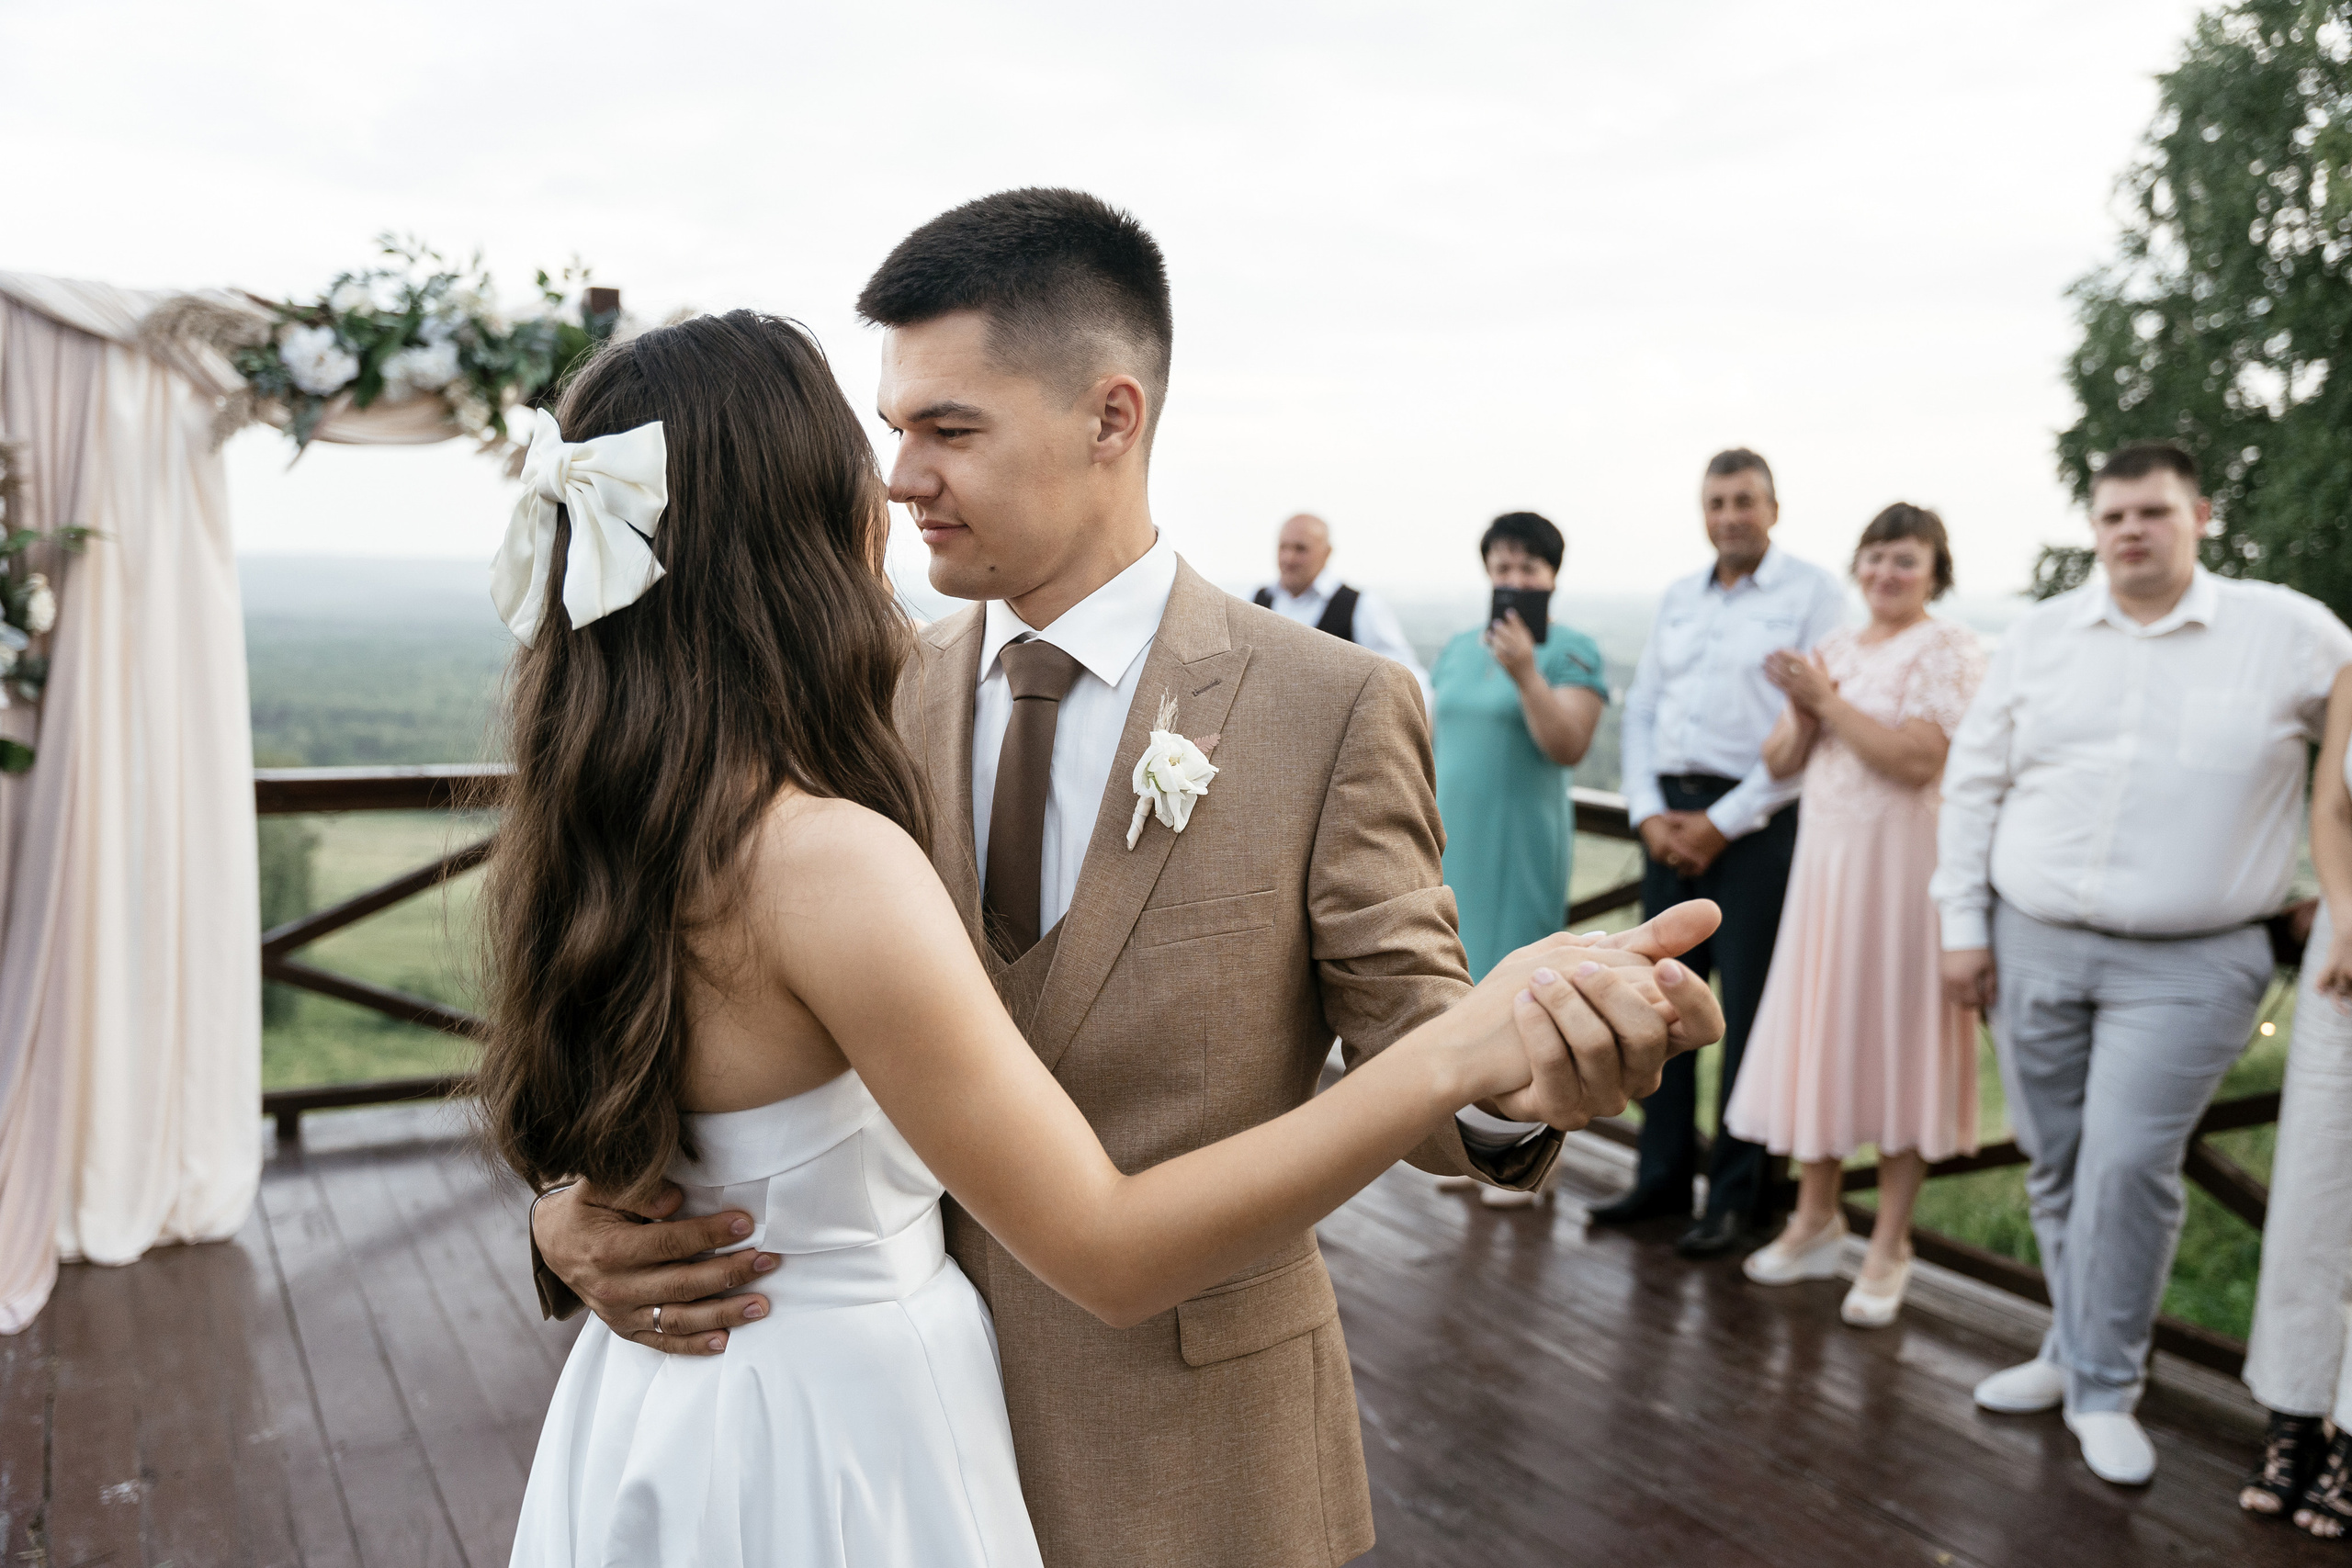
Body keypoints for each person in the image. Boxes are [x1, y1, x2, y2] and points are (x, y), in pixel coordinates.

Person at [523, 190, 1725, 1568]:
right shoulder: (853, 702)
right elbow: (676, 990)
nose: (903, 474)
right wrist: (569, 1219)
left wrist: (1524, 1072)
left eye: (947, 428)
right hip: (882, 1456)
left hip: (1201, 1466)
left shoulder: (1325, 707)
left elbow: (1424, 1040)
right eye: (891, 427)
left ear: (1111, 416)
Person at [1935, 440, 2352, 1487]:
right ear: (2094, 526)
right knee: (2058, 1159)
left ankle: (2106, 1383)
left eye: (2152, 512)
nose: (2131, 530)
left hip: (2193, 960)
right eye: (2113, 514)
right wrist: (1961, 928)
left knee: (2126, 1164)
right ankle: (2067, 1352)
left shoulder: (2289, 632)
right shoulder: (2038, 638)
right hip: (2029, 935)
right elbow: (1973, 783)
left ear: (2198, 516)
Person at [1724, 503, 1985, 1325]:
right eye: (1874, 557)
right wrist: (1804, 708)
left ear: (1935, 570)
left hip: (1906, 872)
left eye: (1904, 559)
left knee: (1901, 1038)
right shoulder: (1832, 649)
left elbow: (1916, 759)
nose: (1885, 573)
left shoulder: (1948, 647)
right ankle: (1814, 1217)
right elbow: (1776, 760)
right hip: (1827, 869)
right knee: (1824, 1033)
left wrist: (1826, 705)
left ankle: (1891, 1242)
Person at [1594, 449, 1845, 1257]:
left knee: (1745, 1015)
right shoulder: (1677, 598)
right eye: (1716, 501)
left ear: (1774, 507)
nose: (1730, 514)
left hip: (1759, 823)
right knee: (1658, 1003)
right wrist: (1648, 813)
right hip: (1670, 814)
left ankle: (1737, 1197)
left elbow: (1811, 732)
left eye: (1744, 500)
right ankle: (1660, 1177)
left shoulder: (1813, 595)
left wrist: (1723, 822)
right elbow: (1643, 713)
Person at [1427, 512, 1610, 1211]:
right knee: (1462, 986)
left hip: (1522, 841)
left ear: (1552, 577)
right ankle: (1474, 1148)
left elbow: (1567, 743)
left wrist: (1526, 671)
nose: (1515, 579)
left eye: (1529, 568)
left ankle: (1536, 1155)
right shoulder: (1455, 649)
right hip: (1457, 841)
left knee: (1531, 997)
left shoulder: (1573, 650)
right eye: (1503, 567)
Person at [2240, 662, 2352, 1536]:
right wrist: (2344, 916)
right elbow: (2331, 808)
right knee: (2313, 1185)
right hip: (2342, 960)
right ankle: (2292, 1405)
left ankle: (2350, 1431)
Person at [1252, 512, 1432, 709]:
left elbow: (1403, 673)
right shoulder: (1253, 600)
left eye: (1300, 549)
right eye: (1283, 547)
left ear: (1327, 552)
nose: (1288, 557)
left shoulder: (1361, 606)